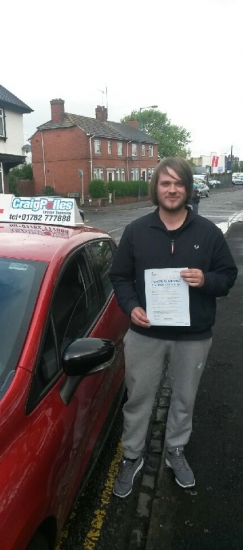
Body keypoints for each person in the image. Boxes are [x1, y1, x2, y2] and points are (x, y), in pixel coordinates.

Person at [109, 157, 238, 498]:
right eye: (165, 183)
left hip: (193, 337)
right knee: (138, 399)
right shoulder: (136, 231)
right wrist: (132, 306)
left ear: (188, 189)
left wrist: (206, 279)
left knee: (184, 399)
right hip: (145, 334)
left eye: (178, 183)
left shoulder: (208, 233)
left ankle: (175, 450)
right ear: (156, 188)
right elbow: (119, 277)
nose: (172, 189)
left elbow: (228, 277)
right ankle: (133, 455)